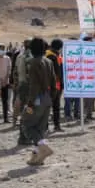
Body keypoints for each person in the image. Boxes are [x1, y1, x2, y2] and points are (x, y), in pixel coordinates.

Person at [21, 38, 55, 166]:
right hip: (47, 98)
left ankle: (43, 148)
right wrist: (51, 98)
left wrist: (30, 103)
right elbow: (53, 82)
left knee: (27, 125)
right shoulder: (48, 61)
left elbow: (34, 85)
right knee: (39, 128)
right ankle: (37, 157)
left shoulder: (33, 62)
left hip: (37, 99)